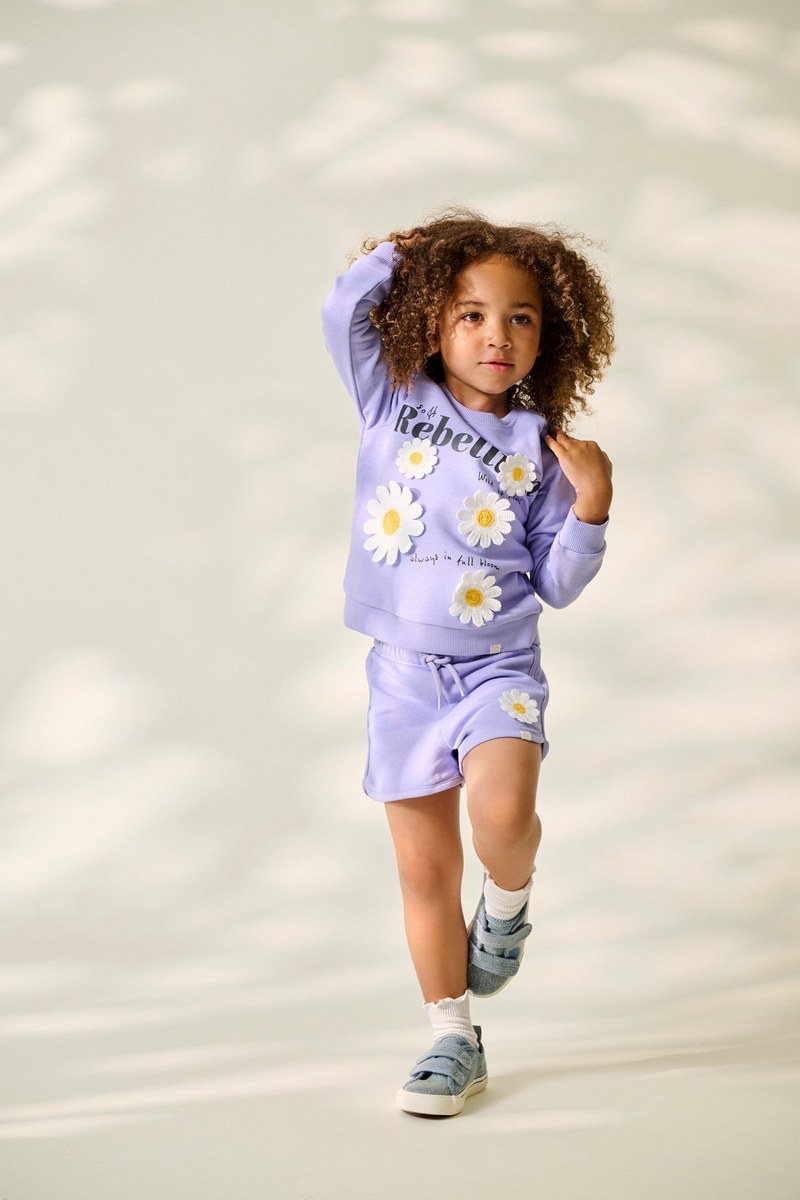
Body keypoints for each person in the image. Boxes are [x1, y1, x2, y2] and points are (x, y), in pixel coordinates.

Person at [321, 208, 614, 1117]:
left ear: (546, 337)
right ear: (430, 321)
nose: (497, 335)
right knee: (425, 873)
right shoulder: (392, 398)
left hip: (498, 670)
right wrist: (400, 256)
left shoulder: (544, 449)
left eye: (521, 317)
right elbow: (340, 314)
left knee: (504, 815)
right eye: (471, 313)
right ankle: (453, 1038)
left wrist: (593, 504)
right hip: (403, 678)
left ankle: (511, 902)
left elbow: (556, 581)